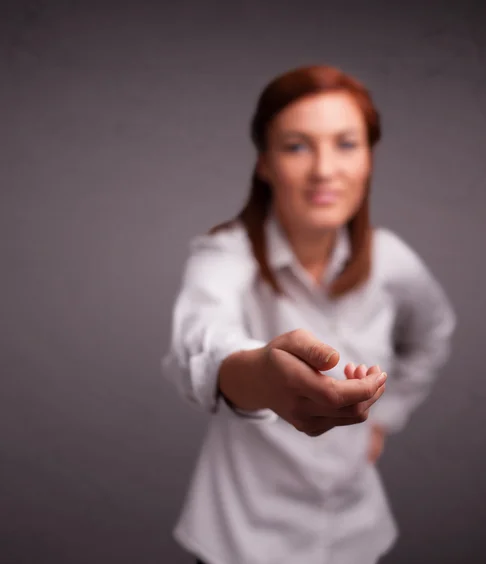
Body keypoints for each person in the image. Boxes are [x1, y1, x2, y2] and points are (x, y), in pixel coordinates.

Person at [161, 64, 457, 564]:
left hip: (353, 535)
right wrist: (262, 376)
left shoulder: (391, 261)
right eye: (297, 145)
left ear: (369, 157)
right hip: (239, 539)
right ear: (265, 162)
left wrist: (385, 416)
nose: (324, 169)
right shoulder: (224, 254)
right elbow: (200, 336)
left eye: (345, 143)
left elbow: (433, 332)